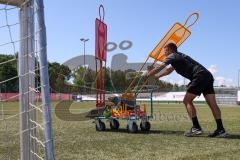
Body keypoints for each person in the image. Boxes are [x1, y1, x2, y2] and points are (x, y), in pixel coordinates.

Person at [146, 43, 227, 137]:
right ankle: (221, 130)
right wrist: (158, 76)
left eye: (165, 50)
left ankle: (196, 128)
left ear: (169, 49)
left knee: (187, 100)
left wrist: (148, 75)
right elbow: (168, 70)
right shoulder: (179, 56)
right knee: (212, 103)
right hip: (207, 75)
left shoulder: (172, 56)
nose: (164, 53)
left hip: (199, 75)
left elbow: (160, 67)